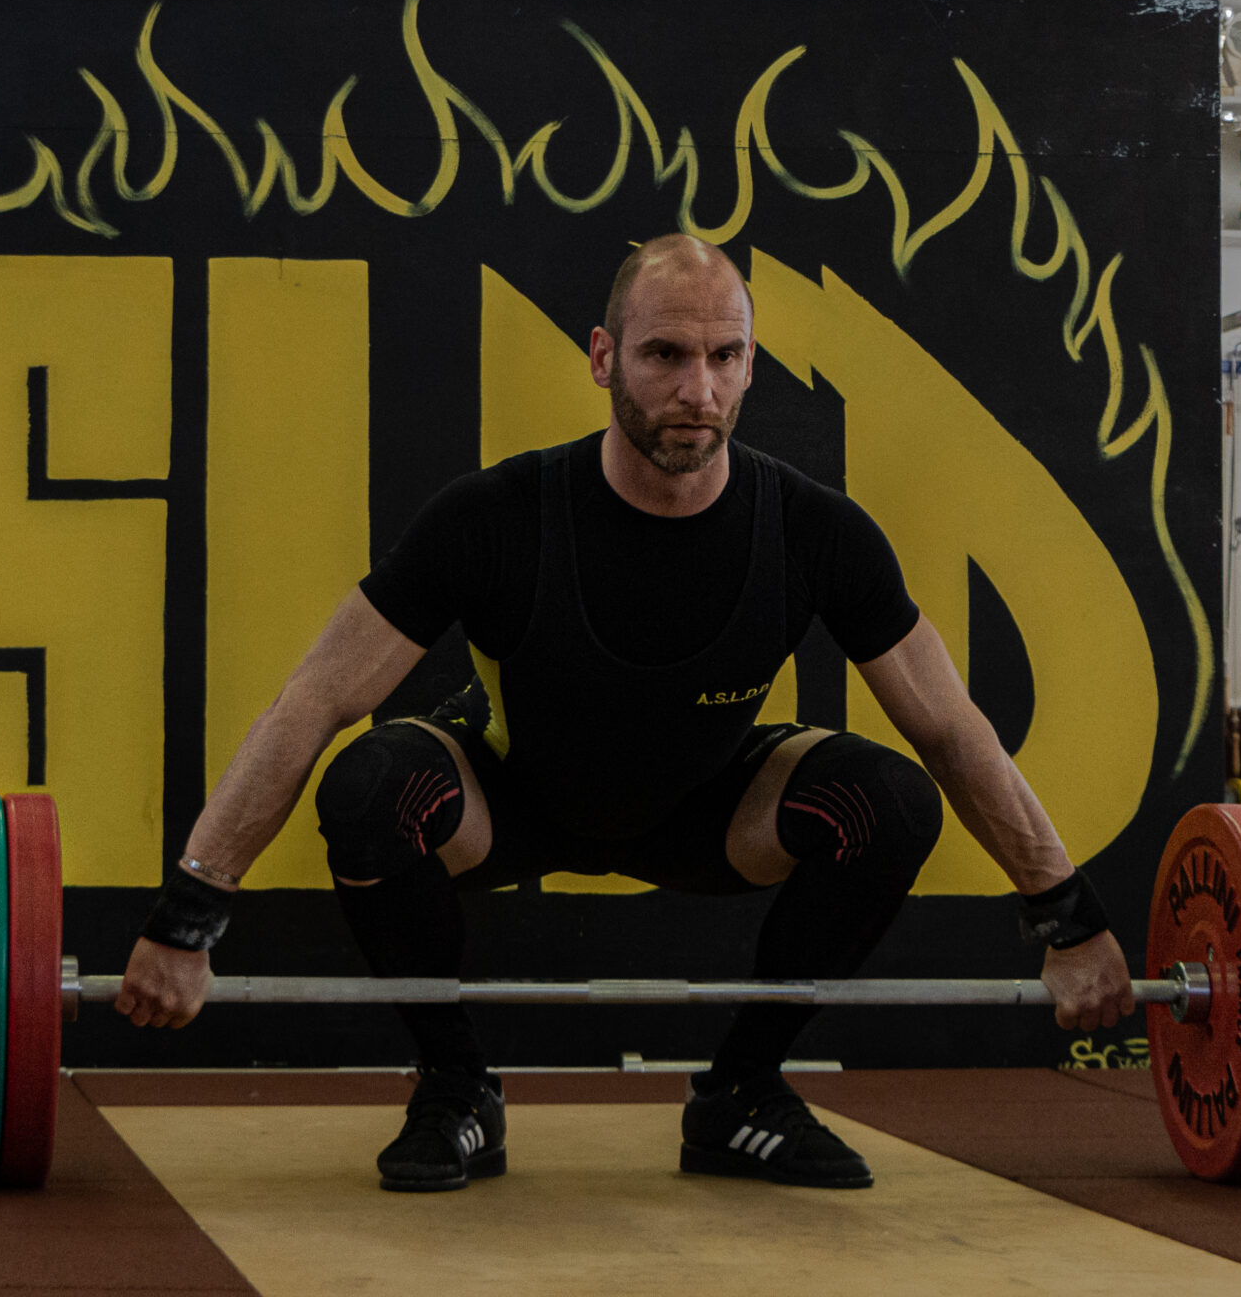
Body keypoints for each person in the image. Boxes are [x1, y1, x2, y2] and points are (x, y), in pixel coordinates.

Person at [112, 234, 1132, 1191]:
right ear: (602, 357)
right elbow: (314, 700)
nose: (700, 391)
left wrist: (1069, 918)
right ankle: (456, 1088)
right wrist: (188, 916)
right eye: (665, 355)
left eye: (725, 357)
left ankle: (741, 1092)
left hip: (707, 808)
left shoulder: (815, 532)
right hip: (511, 796)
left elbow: (949, 727)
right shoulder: (494, 517)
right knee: (372, 787)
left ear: (750, 362)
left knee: (892, 801)